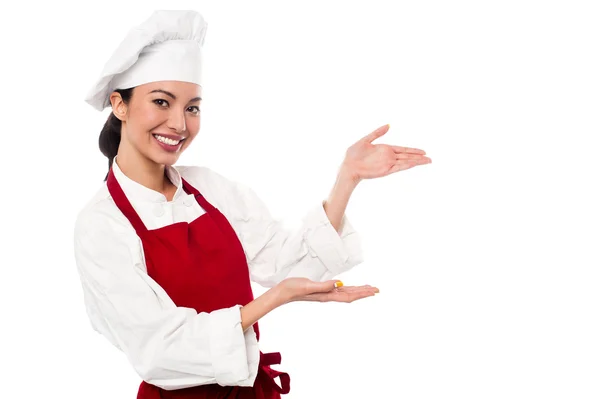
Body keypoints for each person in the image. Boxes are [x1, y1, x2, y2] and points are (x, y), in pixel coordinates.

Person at [73, 9, 432, 399]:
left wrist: (347, 178)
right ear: (119, 105)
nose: (179, 123)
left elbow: (285, 260)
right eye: (162, 102)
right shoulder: (101, 224)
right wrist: (273, 299)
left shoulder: (208, 188)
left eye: (192, 107)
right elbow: (158, 348)